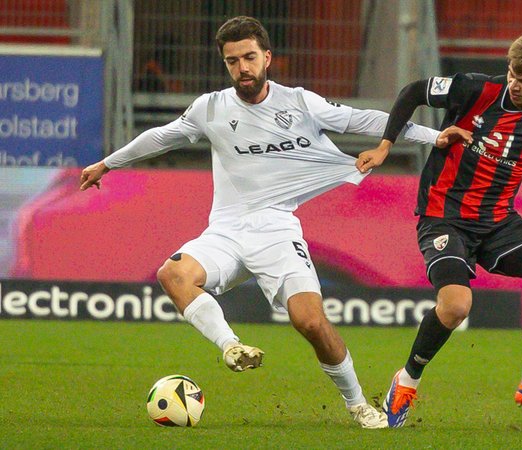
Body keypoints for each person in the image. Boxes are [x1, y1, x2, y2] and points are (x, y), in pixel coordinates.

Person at [79, 16, 468, 429]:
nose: (242, 68)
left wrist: (432, 137)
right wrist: (107, 163)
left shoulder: (299, 102)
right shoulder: (209, 108)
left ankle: (358, 405)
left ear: (267, 57)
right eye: (232, 61)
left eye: (249, 57)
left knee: (311, 322)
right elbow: (160, 136)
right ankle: (230, 346)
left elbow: (361, 120)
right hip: (226, 231)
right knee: (173, 274)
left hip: (277, 231)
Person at [356, 28, 522, 427]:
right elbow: (413, 91)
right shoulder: (472, 89)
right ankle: (407, 379)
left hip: (499, 221)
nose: (515, 85)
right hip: (444, 216)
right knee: (456, 306)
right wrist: (385, 145)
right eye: (513, 74)